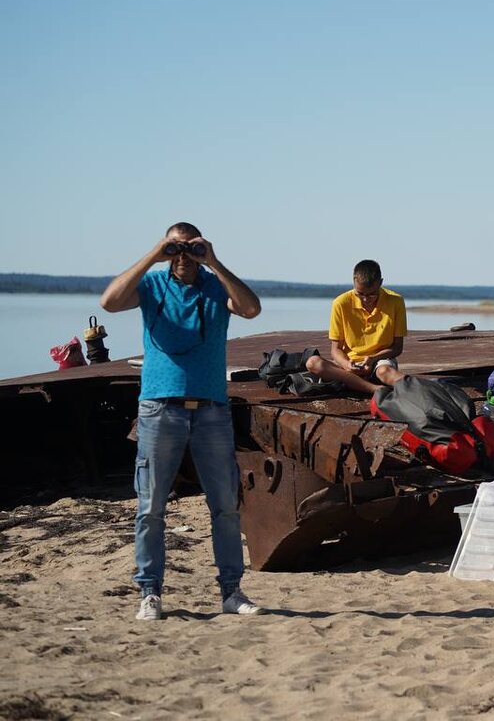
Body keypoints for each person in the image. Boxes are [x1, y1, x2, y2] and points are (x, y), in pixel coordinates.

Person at [100, 222, 264, 621]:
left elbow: (251, 309)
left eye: (191, 250)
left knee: (225, 505)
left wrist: (216, 262)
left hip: (211, 410)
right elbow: (110, 302)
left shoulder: (213, 285)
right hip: (160, 407)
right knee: (151, 506)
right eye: (178, 250)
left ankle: (231, 592)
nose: (184, 258)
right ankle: (150, 593)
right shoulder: (154, 284)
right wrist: (157, 251)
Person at [304, 259, 407, 394]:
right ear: (354, 282)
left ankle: (419, 387)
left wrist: (373, 359)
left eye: (372, 294)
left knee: (385, 372)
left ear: (380, 283)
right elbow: (336, 350)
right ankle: (374, 389)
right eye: (360, 294)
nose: (365, 299)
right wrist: (347, 365)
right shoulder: (340, 303)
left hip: (380, 361)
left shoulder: (396, 301)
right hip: (349, 365)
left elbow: (397, 347)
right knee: (312, 363)